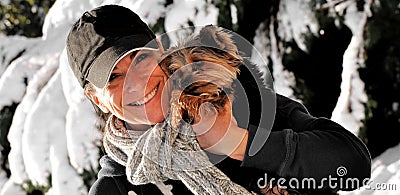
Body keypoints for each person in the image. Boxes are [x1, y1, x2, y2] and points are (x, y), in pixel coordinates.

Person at [66, 4, 371, 195]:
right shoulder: (116, 189)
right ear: (96, 98)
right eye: (114, 78)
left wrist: (240, 143)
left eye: (140, 59)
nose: (136, 82)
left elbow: (353, 167)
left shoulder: (235, 101)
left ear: (161, 52)